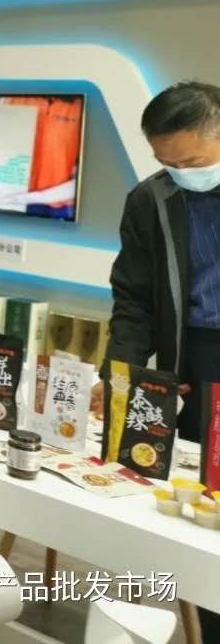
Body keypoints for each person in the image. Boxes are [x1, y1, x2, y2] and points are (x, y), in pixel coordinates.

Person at [108, 81, 220, 643]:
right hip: (192, 357)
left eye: (192, 162)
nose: (181, 173)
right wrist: (122, 379)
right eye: (167, 164)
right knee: (207, 497)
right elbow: (132, 301)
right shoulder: (150, 200)